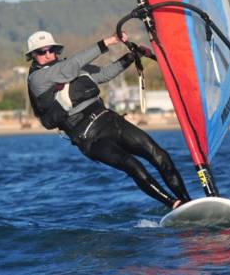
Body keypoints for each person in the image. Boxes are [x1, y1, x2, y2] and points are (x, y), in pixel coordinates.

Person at [26, 30, 190, 210]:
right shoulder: (38, 79)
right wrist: (108, 41)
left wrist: (129, 58)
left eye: (51, 50)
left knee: (159, 155)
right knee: (132, 165)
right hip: (90, 137)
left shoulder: (69, 66)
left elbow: (103, 75)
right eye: (42, 52)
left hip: (110, 120)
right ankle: (174, 205)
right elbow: (71, 66)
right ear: (33, 55)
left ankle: (189, 203)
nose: (48, 54)